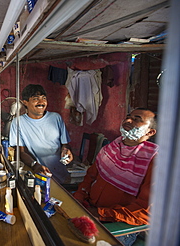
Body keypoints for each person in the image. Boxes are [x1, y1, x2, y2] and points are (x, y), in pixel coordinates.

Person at [73, 108, 158, 246]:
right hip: (90, 210)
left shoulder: (154, 160)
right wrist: (78, 198)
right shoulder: (110, 148)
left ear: (150, 132)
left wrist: (101, 214)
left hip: (119, 224)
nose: (128, 120)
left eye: (137, 119)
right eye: (128, 116)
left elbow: (144, 211)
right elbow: (90, 177)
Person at [9, 84, 73, 183]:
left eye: (44, 98)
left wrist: (66, 150)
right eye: (35, 99)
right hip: (39, 173)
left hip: (60, 171)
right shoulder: (18, 122)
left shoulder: (56, 118)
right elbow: (20, 152)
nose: (41, 102)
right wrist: (35, 165)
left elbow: (65, 143)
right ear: (25, 102)